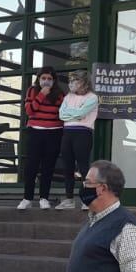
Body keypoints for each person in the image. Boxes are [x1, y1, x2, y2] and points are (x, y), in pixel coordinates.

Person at [17, 66, 64, 211]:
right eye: (43, 78)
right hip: (35, 132)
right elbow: (29, 110)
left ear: (54, 81)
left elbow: (63, 114)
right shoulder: (32, 90)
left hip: (54, 133)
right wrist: (42, 94)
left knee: (48, 167)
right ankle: (27, 198)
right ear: (38, 79)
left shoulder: (60, 94)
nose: (46, 81)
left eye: (49, 79)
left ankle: (44, 198)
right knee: (31, 166)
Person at [56, 69, 99, 210]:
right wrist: (75, 115)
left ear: (83, 82)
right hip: (67, 133)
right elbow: (61, 115)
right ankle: (69, 199)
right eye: (70, 81)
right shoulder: (68, 97)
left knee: (83, 167)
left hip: (83, 133)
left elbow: (82, 113)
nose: (71, 83)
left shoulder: (92, 97)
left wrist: (73, 114)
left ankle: (87, 200)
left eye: (75, 80)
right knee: (68, 166)